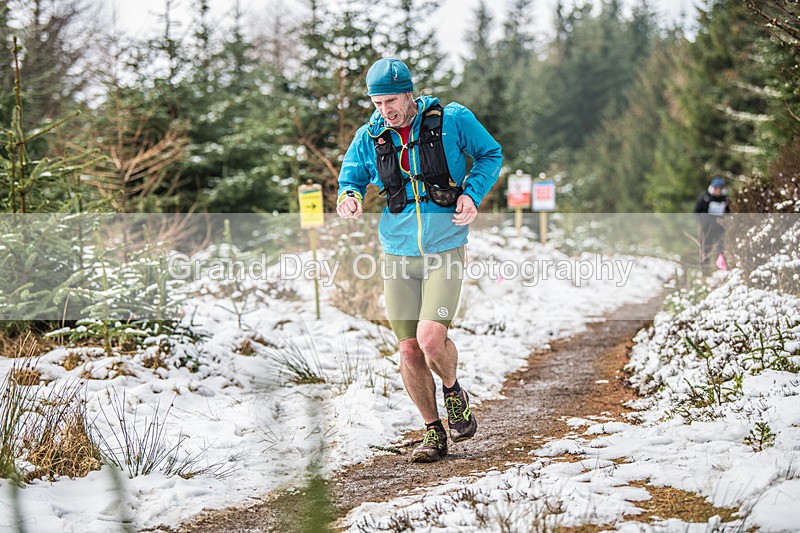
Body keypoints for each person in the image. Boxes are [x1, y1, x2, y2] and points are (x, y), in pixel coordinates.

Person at [336, 58, 502, 463]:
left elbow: (490, 155)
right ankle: (433, 433)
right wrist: (349, 197)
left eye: (391, 100)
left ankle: (453, 390)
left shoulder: (452, 119)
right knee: (409, 350)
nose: (385, 110)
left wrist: (471, 194)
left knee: (431, 338)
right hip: (397, 254)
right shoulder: (370, 136)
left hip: (445, 247)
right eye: (377, 103)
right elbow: (350, 178)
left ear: (409, 93)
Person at [693, 176, 730, 268]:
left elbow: (729, 212)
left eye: (720, 189)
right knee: (706, 248)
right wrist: (702, 220)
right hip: (707, 228)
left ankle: (721, 267)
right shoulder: (705, 198)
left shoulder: (725, 200)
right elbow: (697, 211)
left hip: (720, 228)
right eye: (716, 188)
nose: (718, 191)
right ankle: (705, 269)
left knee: (721, 248)